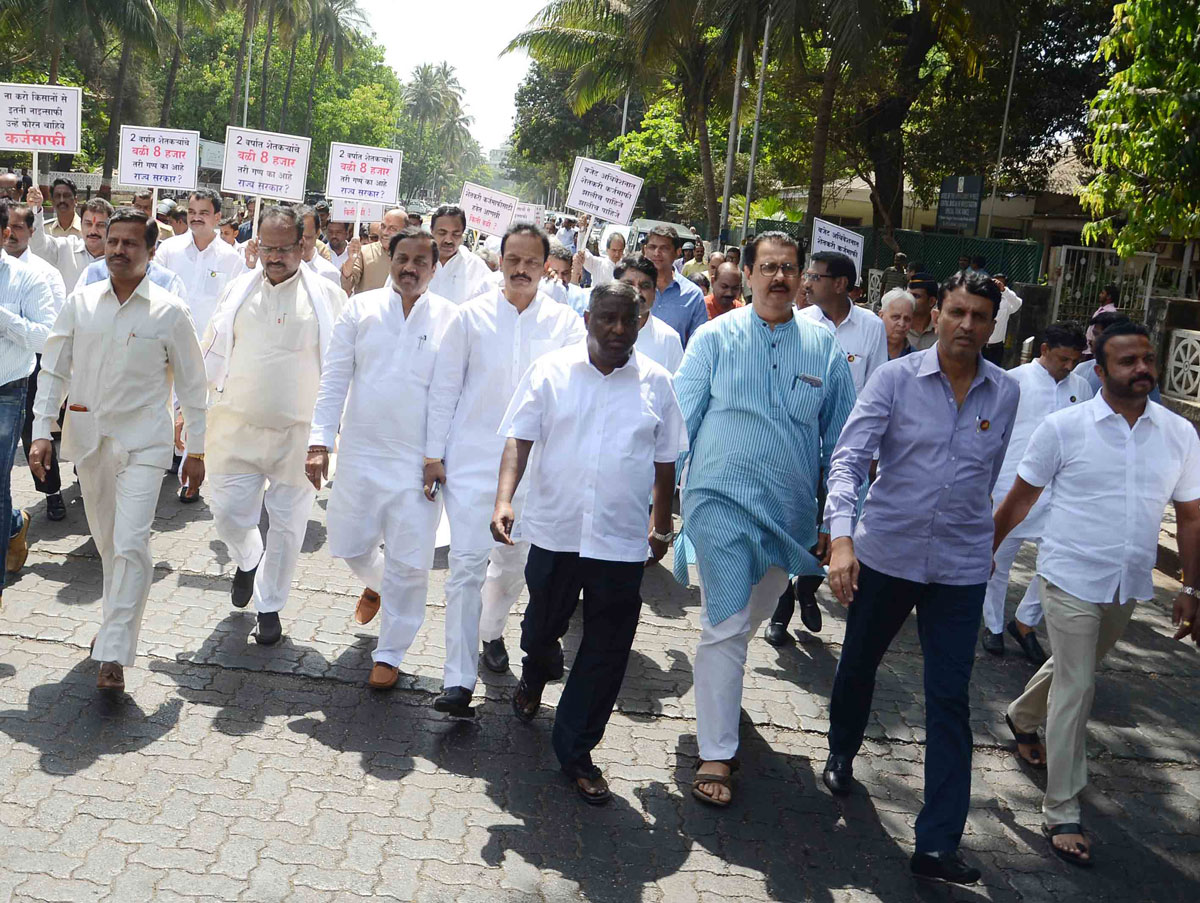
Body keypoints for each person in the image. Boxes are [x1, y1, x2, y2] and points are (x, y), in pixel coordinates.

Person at [822, 271, 1019, 886]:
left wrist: (984, 543)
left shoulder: (1005, 393)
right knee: (859, 664)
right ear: (937, 315)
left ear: (992, 327)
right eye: (957, 312)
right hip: (887, 555)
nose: (966, 325)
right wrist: (843, 539)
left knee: (950, 701)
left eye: (979, 317)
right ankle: (841, 750)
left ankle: (936, 845)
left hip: (959, 569)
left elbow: (989, 478)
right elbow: (850, 458)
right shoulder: (894, 379)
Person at [996, 321, 1200, 868]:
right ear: (1101, 370)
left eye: (1148, 359)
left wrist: (1191, 586)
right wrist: (982, 553)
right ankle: (1062, 807)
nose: (1143, 369)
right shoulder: (1065, 428)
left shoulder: (1180, 435)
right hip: (1069, 575)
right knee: (1079, 685)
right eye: (1128, 361)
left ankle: (1020, 714)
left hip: (1127, 584)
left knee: (1072, 668)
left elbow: (1189, 515)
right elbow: (1018, 500)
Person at [674, 231, 855, 808]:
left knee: (743, 623)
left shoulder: (824, 348)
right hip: (719, 502)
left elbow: (846, 441)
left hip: (789, 515)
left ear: (803, 279)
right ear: (746, 274)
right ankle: (717, 753)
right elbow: (679, 425)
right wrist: (667, 500)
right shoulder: (713, 339)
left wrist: (840, 520)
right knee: (725, 625)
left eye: (789, 269)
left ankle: (716, 686)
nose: (779, 278)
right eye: (768, 268)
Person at [496, 281, 687, 805]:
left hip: (620, 543)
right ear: (588, 318)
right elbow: (520, 437)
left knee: (606, 652)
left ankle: (575, 750)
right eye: (607, 318)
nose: (617, 330)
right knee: (541, 627)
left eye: (627, 321)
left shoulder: (658, 383)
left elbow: (666, 461)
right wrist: (504, 500)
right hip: (556, 533)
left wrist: (661, 523)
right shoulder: (551, 371)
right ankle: (535, 668)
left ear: (641, 324)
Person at [29, 208, 207, 693]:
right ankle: (113, 626)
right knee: (109, 545)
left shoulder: (170, 311)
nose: (118, 250)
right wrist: (43, 429)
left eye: (131, 243)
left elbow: (193, 387)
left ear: (151, 252)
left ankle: (114, 653)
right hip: (90, 441)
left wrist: (197, 449)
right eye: (113, 242)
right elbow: (54, 370)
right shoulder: (81, 302)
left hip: (145, 444)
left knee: (132, 543)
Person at [424, 223, 586, 711]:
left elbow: (576, 397)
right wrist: (433, 455)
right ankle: (457, 679)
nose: (521, 269)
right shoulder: (469, 317)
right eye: (512, 259)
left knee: (515, 570)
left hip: (536, 475)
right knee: (465, 567)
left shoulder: (565, 325)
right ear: (499, 260)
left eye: (531, 262)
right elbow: (445, 388)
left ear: (545, 266)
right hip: (472, 466)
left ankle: (490, 630)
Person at [308, 226, 457, 691]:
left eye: (421, 261)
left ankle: (390, 652)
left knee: (412, 562)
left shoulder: (453, 319)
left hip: (420, 463)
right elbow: (334, 379)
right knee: (349, 543)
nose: (410, 268)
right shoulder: (360, 309)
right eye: (403, 258)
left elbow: (449, 394)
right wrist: (318, 441)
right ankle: (379, 584)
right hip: (361, 453)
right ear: (389, 260)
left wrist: (436, 455)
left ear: (434, 269)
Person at [199, 205, 346, 646]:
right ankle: (247, 558)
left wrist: (327, 437)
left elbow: (340, 369)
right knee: (226, 511)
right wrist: (188, 409)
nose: (275, 256)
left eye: (284, 248)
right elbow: (209, 348)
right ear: (256, 244)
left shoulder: (327, 295)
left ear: (303, 244)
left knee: (288, 524)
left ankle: (270, 606)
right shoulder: (238, 290)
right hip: (236, 425)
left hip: (298, 437)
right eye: (267, 247)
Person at [764, 250, 887, 647]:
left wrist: (871, 455)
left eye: (815, 276)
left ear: (839, 284)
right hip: (799, 448)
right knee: (791, 525)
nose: (806, 283)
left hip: (847, 453)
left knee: (833, 525)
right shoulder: (798, 324)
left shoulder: (871, 328)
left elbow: (877, 390)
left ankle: (807, 589)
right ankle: (781, 608)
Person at [982, 322, 1091, 662]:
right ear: (1044, 350)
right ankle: (993, 626)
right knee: (997, 561)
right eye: (1063, 359)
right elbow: (990, 436)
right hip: (1011, 487)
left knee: (1060, 563)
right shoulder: (1012, 381)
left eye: (1075, 360)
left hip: (1059, 493)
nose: (1069, 366)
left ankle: (1025, 621)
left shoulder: (1082, 388)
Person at [0, 200, 54, 596]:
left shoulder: (27, 279)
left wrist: (4, 318)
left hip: (7, 391)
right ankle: (15, 523)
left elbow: (45, 339)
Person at [6, 202, 68, 523]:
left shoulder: (45, 274)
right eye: (9, 226)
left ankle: (51, 492)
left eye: (19, 227)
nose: (12, 233)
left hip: (33, 369)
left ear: (32, 231)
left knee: (35, 436)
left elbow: (56, 328)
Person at [155, 189, 245, 340]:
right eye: (192, 212)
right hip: (166, 340)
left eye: (203, 213)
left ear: (217, 217)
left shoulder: (232, 259)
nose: (196, 217)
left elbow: (233, 308)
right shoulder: (168, 249)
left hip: (208, 349)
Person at [26, 188, 111, 289]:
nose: (93, 231)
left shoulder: (119, 258)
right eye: (88, 224)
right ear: (81, 224)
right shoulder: (66, 248)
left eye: (100, 225)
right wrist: (36, 211)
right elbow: (38, 247)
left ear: (111, 227)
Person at [615, 255, 683, 372]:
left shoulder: (669, 340)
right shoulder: (599, 333)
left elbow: (677, 388)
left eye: (644, 286)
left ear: (654, 293)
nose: (636, 291)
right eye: (629, 284)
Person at [641, 226, 707, 347]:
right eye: (652, 247)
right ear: (645, 250)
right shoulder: (632, 288)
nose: (657, 253)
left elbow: (697, 345)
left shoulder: (693, 295)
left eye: (664, 248)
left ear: (677, 252)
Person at [425, 205, 493, 304]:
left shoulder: (476, 267)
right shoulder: (416, 261)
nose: (448, 240)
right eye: (442, 233)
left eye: (455, 234)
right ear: (432, 230)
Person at [340, 207, 406, 296]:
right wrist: (351, 260)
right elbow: (346, 287)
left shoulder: (413, 257)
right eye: (383, 227)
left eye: (392, 229)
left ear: (406, 231)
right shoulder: (364, 252)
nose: (385, 232)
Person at [572, 216, 625, 286]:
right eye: (614, 250)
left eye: (620, 250)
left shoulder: (628, 269)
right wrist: (582, 230)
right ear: (607, 249)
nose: (617, 254)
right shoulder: (598, 264)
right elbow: (581, 252)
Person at [982, 273, 1023, 365]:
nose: (996, 284)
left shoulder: (1006, 301)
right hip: (979, 345)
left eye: (1000, 283)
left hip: (996, 347)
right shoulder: (983, 297)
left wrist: (1004, 290)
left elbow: (1018, 303)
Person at [880, 288, 916, 359]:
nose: (901, 324)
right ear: (881, 316)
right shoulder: (867, 350)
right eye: (896, 317)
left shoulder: (914, 358)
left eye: (907, 319)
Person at [906, 273, 939, 351]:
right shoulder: (899, 327)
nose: (910, 300)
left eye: (916, 296)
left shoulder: (941, 331)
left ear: (931, 301)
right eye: (908, 295)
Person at [1084, 284, 1119, 353]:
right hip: (1090, 348)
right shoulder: (1101, 309)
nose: (1100, 295)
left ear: (1108, 296)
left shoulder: (1110, 312)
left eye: (1102, 293)